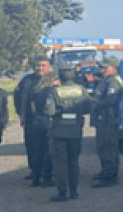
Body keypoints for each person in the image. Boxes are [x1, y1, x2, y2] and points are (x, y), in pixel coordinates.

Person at [45, 66, 92, 202]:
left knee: (60, 163)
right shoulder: (81, 90)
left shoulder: (55, 91)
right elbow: (88, 108)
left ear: (60, 77)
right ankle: (74, 191)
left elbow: (49, 111)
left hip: (58, 132)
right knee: (73, 161)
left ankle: (62, 192)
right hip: (75, 131)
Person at [13, 56, 50, 180]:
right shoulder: (27, 80)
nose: (40, 68)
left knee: (48, 146)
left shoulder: (53, 79)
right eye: (38, 65)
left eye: (43, 65)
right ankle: (35, 170)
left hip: (48, 119)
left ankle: (48, 171)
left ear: (48, 66)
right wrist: (20, 112)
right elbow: (17, 95)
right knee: (31, 145)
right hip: (30, 119)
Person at [91, 56, 123, 188]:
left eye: (105, 68)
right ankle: (107, 172)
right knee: (107, 147)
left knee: (107, 147)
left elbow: (111, 100)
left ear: (113, 68)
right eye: (102, 68)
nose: (102, 70)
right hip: (105, 119)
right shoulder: (108, 80)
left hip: (108, 119)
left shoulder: (114, 81)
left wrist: (96, 104)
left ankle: (109, 176)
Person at [29, 68, 59, 187]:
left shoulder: (36, 91)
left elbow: (33, 108)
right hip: (48, 123)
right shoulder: (52, 92)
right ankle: (47, 178)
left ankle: (36, 178)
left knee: (37, 151)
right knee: (48, 152)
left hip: (37, 122)